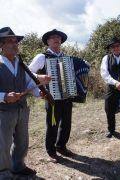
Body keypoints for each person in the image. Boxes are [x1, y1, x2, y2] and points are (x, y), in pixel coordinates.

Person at [0, 27, 50, 179]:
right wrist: (4, 96)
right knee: (3, 144)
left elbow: (28, 83)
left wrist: (38, 92)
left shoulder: (21, 63)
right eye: (10, 41)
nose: (15, 44)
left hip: (22, 108)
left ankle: (18, 166)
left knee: (22, 140)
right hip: (4, 111)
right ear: (1, 45)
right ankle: (3, 173)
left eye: (16, 41)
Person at [29, 29, 74, 160]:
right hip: (51, 95)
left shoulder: (67, 57)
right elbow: (28, 72)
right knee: (52, 124)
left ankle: (61, 146)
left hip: (67, 95)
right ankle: (51, 150)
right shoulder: (42, 57)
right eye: (53, 37)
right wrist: (40, 78)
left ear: (61, 41)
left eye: (58, 37)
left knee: (66, 123)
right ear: (48, 41)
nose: (56, 39)